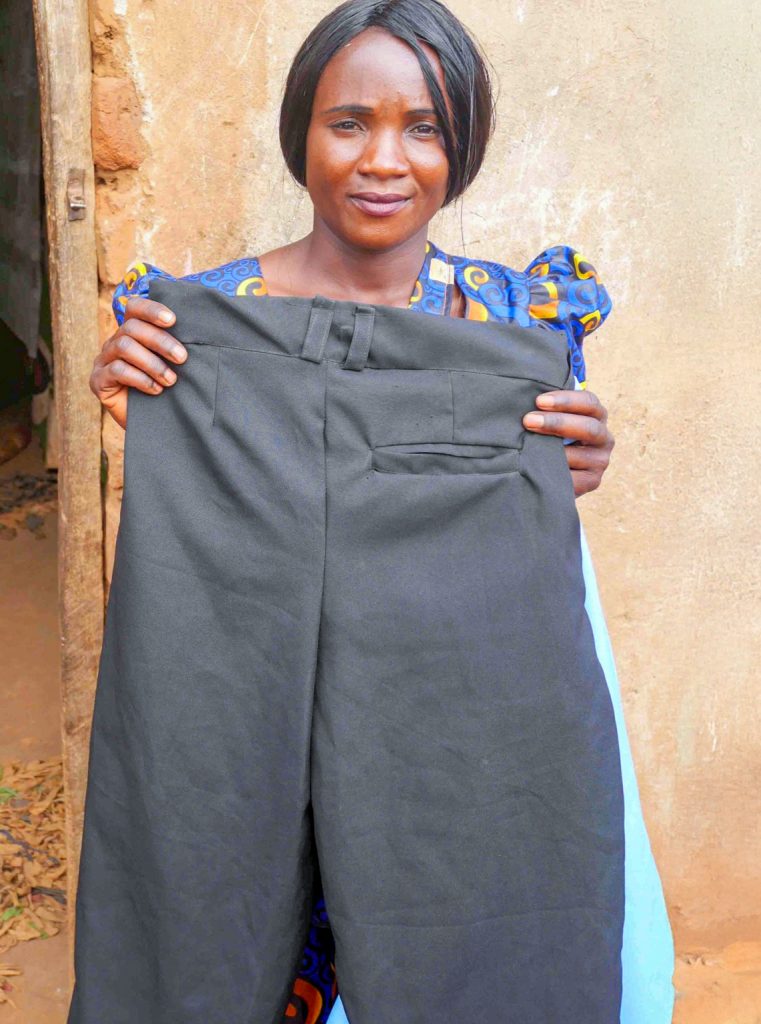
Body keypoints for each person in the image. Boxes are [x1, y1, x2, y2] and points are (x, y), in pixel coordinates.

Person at [87, 1, 674, 1021]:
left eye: (423, 129)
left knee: (485, 886)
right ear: (298, 136)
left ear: (463, 148)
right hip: (253, 640)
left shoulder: (508, 317)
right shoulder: (209, 321)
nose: (382, 159)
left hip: (471, 663)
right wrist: (128, 379)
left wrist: (579, 450)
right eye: (347, 121)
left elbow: (563, 460)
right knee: (207, 869)